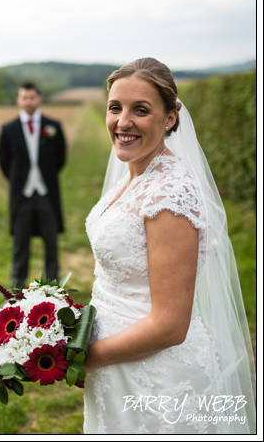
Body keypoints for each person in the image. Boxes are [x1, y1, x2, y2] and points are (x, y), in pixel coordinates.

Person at [82, 58, 256, 434]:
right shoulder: (137, 175)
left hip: (155, 376)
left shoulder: (170, 192)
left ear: (170, 119)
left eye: (140, 110)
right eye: (115, 107)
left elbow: (170, 326)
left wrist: (83, 358)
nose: (122, 122)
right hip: (118, 362)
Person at [0, 81, 66, 289]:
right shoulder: (8, 129)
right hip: (21, 195)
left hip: (46, 193)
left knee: (51, 243)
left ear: (39, 98)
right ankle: (16, 290)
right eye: (24, 97)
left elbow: (61, 158)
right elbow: (4, 160)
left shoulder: (53, 127)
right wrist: (20, 181)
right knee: (20, 245)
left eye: (32, 97)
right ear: (19, 100)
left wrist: (44, 178)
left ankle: (53, 290)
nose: (28, 101)